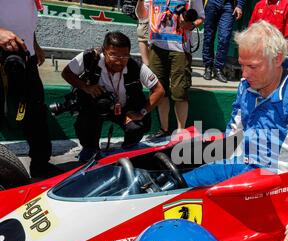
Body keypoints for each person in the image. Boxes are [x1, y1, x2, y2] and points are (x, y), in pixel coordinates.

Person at [182, 21, 288, 241]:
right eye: (242, 65)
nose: (244, 74)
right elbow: (235, 123)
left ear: (277, 58)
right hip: (244, 162)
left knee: (187, 192)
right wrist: (216, 154)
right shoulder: (248, 84)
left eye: (252, 66)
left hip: (272, 178)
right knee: (181, 177)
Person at [61, 31, 165, 162]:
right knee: (85, 123)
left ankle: (129, 151)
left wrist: (141, 113)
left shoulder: (136, 66)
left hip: (125, 108)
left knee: (137, 125)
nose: (119, 61)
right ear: (104, 51)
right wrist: (86, 87)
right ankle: (90, 149)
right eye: (114, 55)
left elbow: (159, 90)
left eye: (124, 56)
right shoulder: (89, 57)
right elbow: (66, 73)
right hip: (95, 107)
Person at [0, 0, 62, 179]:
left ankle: (41, 165)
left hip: (25, 57)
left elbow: (24, 18)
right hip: (3, 57)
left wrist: (34, 43)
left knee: (36, 111)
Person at [136, 0, 205, 141]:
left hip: (179, 48)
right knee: (159, 90)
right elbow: (142, 15)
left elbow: (201, 17)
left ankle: (180, 130)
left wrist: (190, 25)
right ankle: (164, 129)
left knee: (180, 91)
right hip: (156, 46)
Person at [202, 0, 245, 83]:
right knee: (208, 36)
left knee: (224, 38)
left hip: (228, 4)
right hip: (211, 3)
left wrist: (239, 5)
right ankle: (208, 67)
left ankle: (218, 68)